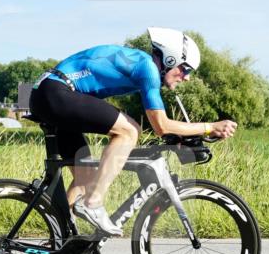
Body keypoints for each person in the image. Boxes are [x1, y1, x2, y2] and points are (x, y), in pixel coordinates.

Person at [28, 27, 237, 236]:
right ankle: (93, 203)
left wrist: (183, 135)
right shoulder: (147, 68)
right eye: (186, 69)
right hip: (57, 92)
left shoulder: (141, 65)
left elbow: (161, 127)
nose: (187, 77)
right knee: (129, 131)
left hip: (49, 93)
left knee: (85, 177)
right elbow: (160, 126)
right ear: (171, 60)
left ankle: (61, 242)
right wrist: (210, 127)